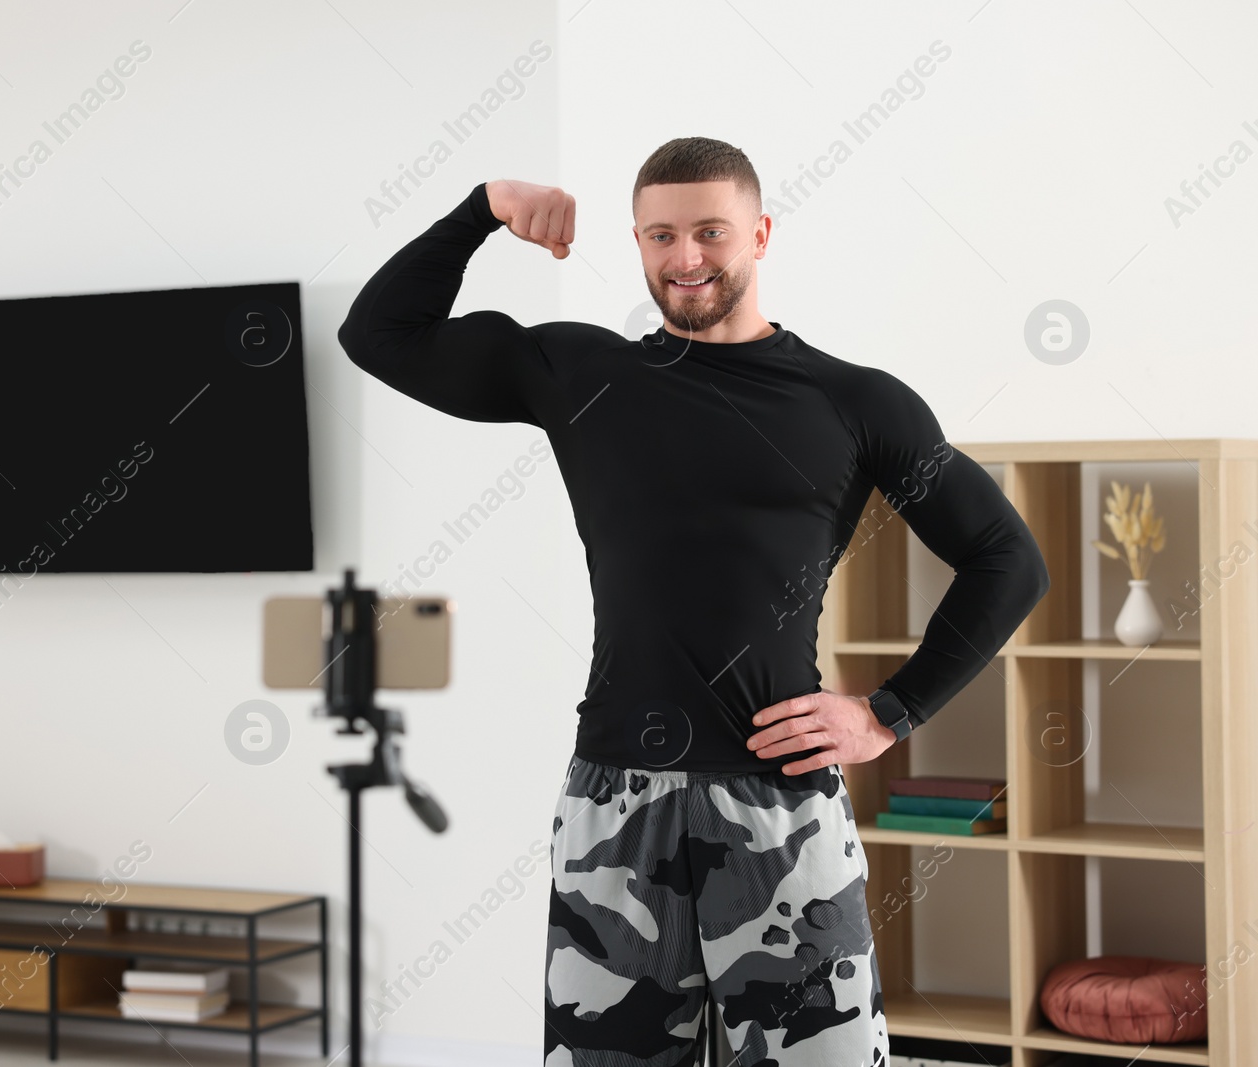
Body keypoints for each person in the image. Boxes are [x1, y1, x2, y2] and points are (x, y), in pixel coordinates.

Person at [337, 136, 1049, 1066]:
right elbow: (378, 335)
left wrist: (888, 713)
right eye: (661, 235)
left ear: (758, 232)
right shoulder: (582, 374)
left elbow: (1007, 558)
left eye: (710, 231)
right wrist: (484, 207)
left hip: (779, 807)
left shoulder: (853, 401)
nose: (686, 258)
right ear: (636, 242)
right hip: (613, 806)